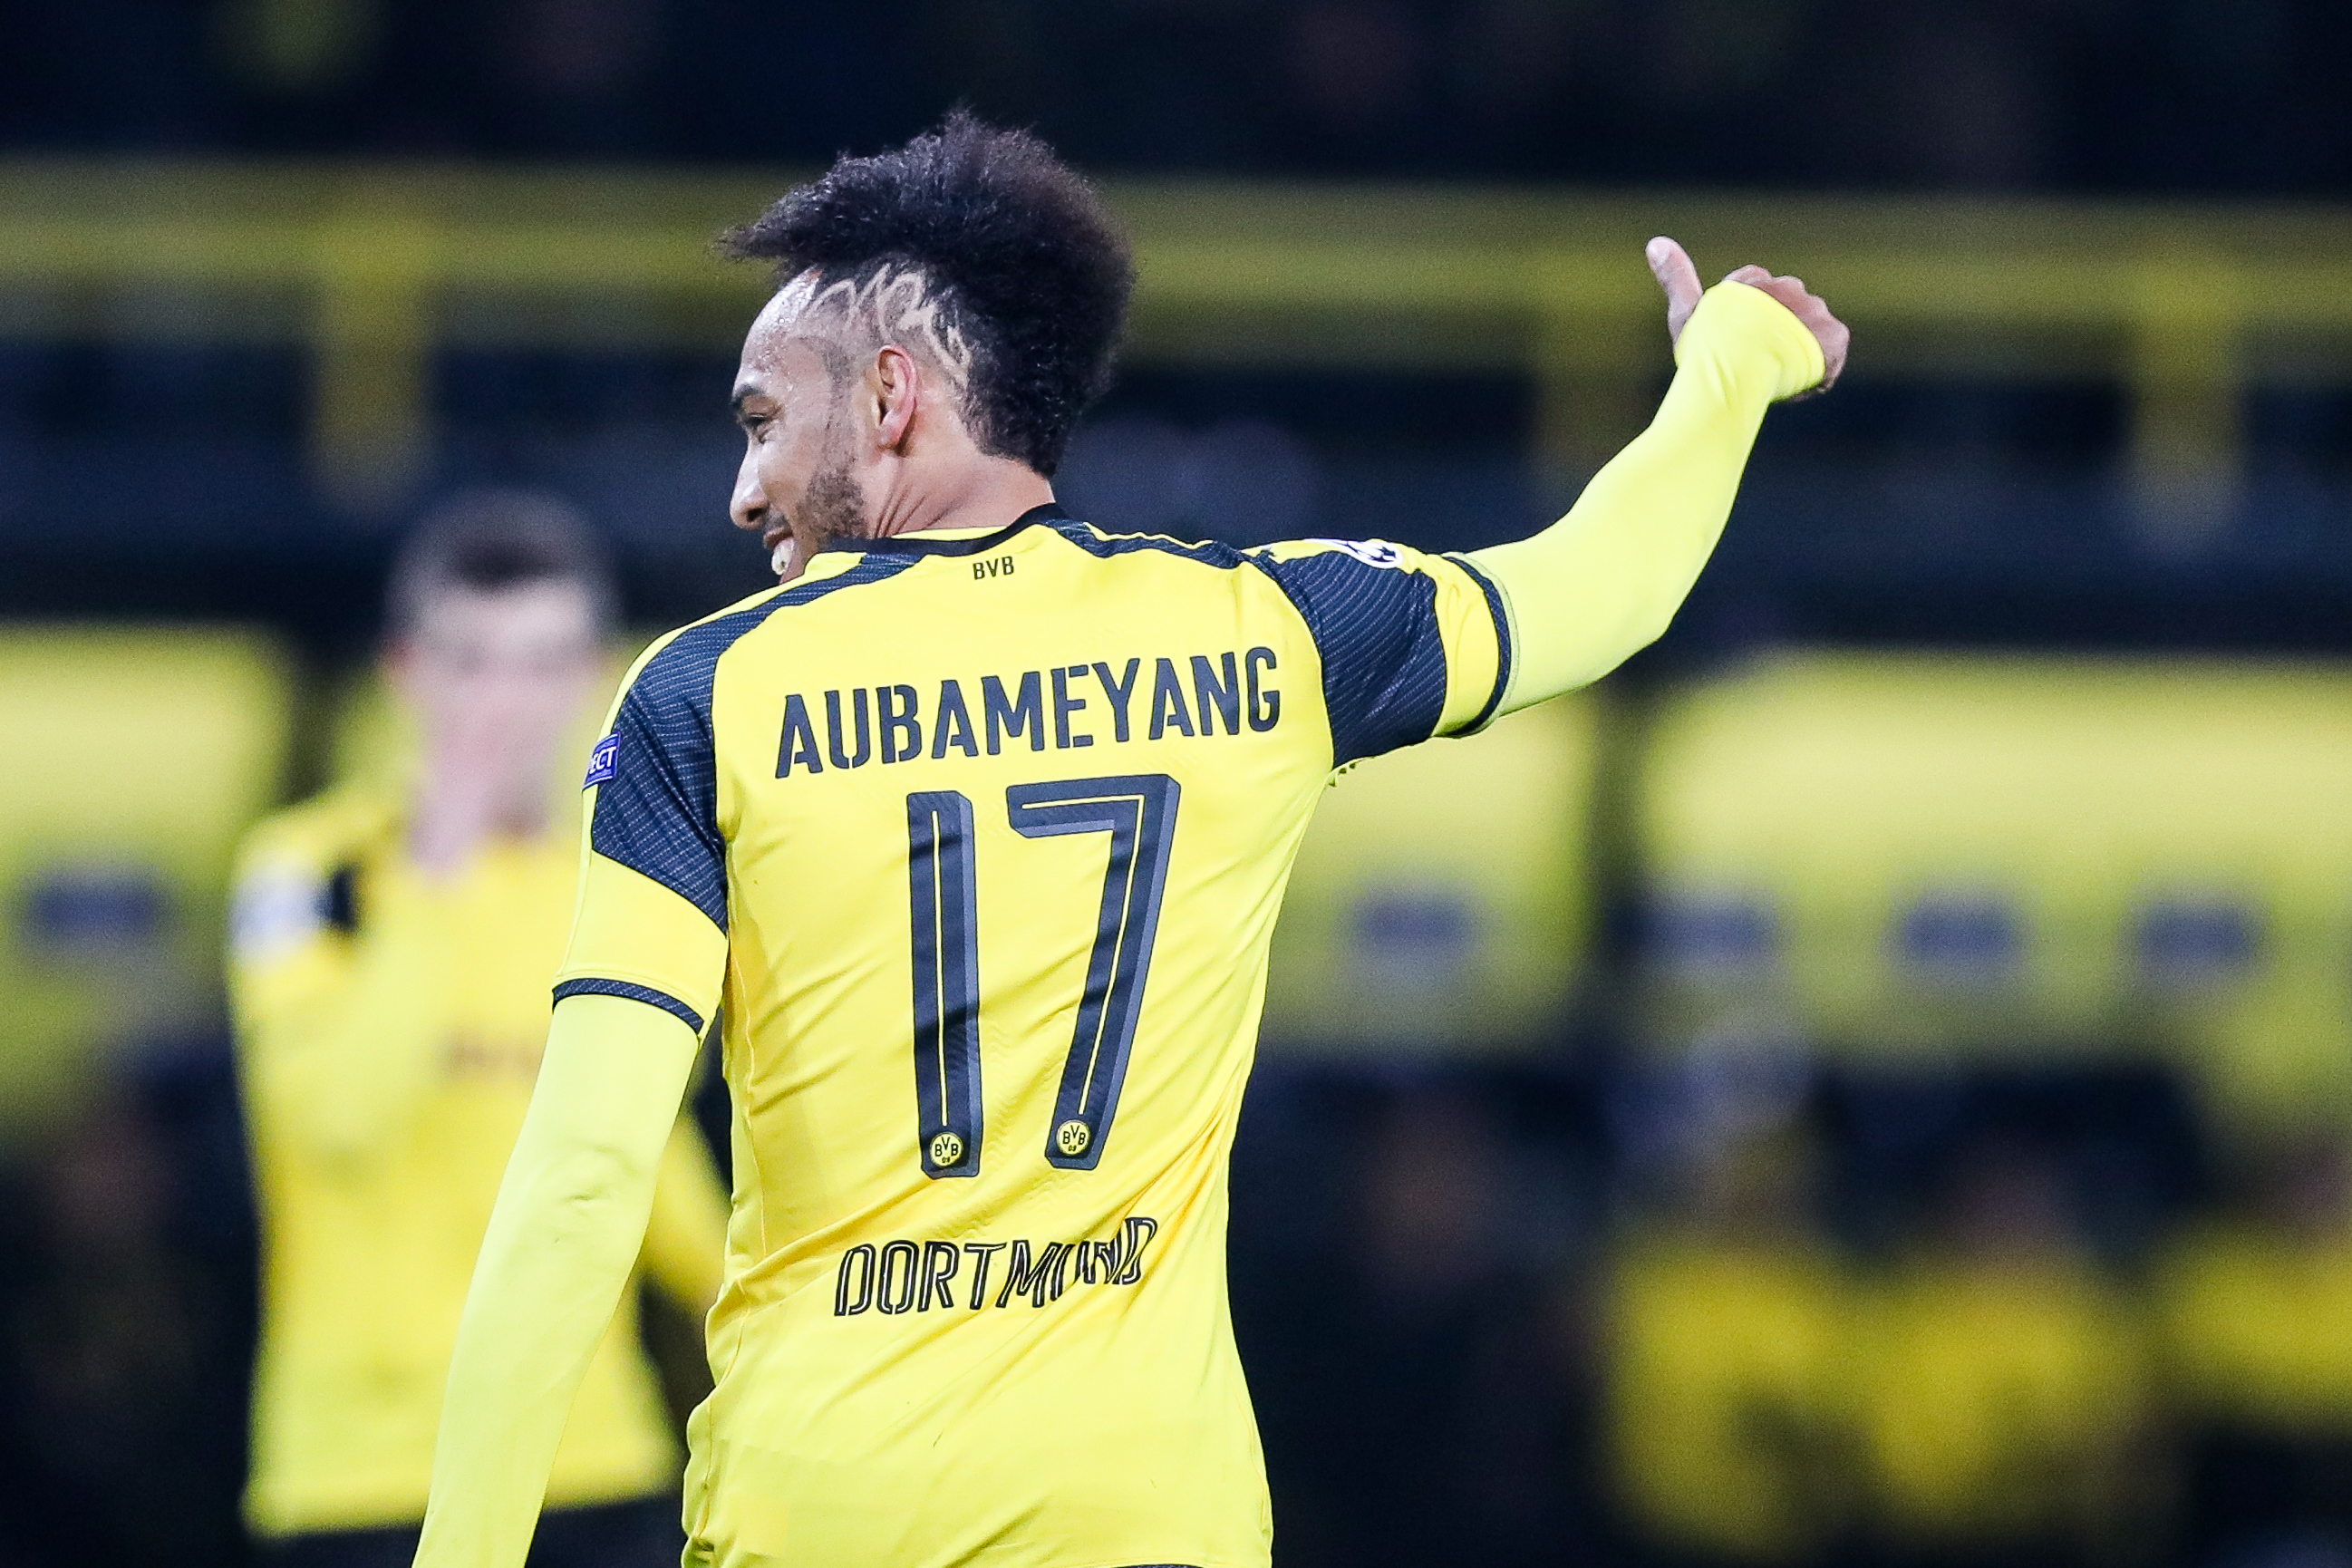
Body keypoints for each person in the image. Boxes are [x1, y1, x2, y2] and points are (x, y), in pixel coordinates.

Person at [412, 112, 1846, 1568]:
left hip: (826, 1503)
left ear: (892, 395)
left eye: (761, 420)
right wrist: (1731, 367)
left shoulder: (703, 694)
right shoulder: (1266, 634)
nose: (742, 489)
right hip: (1148, 1514)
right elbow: (1600, 588)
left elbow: (586, 1178)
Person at [229, 495, 731, 1568]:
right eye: (473, 662)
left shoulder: (613, 888)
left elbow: (649, 1163)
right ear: (408, 670)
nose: (505, 700)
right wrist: (437, 860)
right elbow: (336, 1116)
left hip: (587, 1457)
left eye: (544, 661)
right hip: (361, 1471)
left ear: (592, 676)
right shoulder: (306, 871)